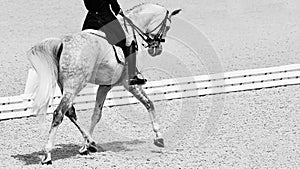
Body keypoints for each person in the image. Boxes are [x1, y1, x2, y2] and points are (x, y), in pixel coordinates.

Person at [82, 0, 147, 85]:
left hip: (90, 21)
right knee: (128, 41)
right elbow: (113, 4)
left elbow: (87, 6)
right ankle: (131, 75)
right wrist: (118, 11)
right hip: (105, 19)